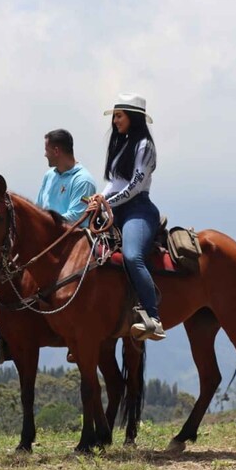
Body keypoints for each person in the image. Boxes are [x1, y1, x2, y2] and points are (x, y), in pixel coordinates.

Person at [0, 129, 97, 363]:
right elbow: (41, 208)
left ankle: (70, 333)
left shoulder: (83, 180)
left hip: (69, 245)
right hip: (44, 243)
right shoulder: (49, 176)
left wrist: (42, 228)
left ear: (56, 150)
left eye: (46, 150)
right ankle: (5, 335)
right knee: (7, 273)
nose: (45, 155)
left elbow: (77, 217)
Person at [89, 93, 164, 341]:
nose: (115, 121)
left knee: (132, 256)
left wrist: (106, 203)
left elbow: (135, 185)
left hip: (138, 209)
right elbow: (114, 182)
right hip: (116, 209)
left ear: (132, 117)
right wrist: (98, 199)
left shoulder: (145, 146)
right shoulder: (122, 145)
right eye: (115, 117)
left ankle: (153, 317)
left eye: (119, 116)